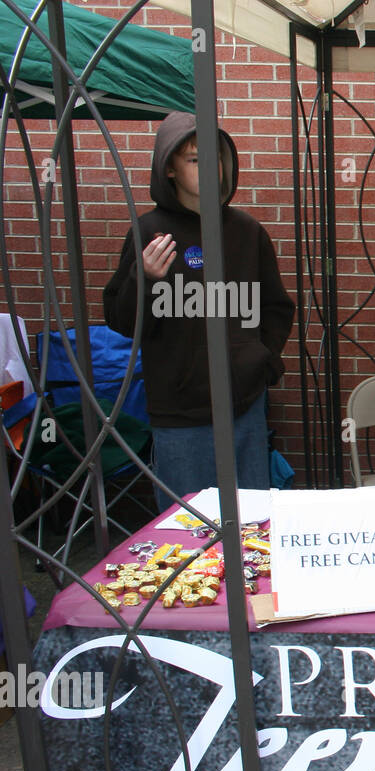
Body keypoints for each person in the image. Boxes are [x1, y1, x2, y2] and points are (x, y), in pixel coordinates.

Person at [104, 111, 295, 512]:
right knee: (189, 525)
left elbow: (276, 307)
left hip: (244, 407)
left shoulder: (246, 231)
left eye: (216, 157)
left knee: (252, 522)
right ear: (169, 168)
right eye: (194, 159)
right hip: (180, 415)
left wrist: (258, 359)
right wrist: (147, 279)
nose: (209, 167)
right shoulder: (148, 231)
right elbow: (122, 322)